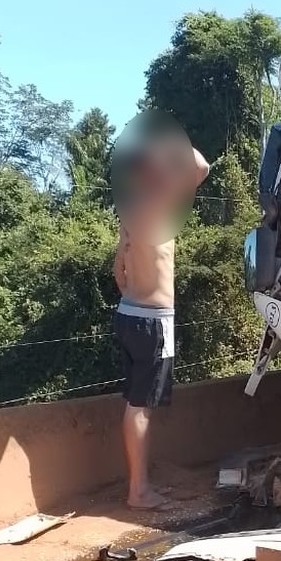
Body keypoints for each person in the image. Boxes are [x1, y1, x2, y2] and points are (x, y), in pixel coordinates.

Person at [112, 139, 210, 510]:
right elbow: (200, 166)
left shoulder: (130, 209)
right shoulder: (160, 202)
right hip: (153, 323)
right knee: (141, 406)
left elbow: (119, 272)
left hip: (129, 314)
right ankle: (139, 491)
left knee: (135, 403)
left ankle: (141, 485)